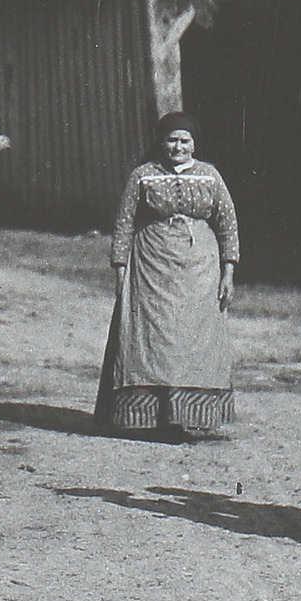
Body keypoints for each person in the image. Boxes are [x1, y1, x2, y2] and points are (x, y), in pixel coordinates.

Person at [94, 114, 241, 439]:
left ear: (194, 144)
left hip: (199, 271)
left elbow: (228, 225)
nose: (178, 147)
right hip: (150, 269)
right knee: (150, 341)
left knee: (193, 341)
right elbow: (123, 223)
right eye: (172, 140)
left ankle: (188, 416)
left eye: (184, 141)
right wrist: (120, 269)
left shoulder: (210, 176)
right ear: (161, 142)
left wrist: (228, 271)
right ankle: (149, 416)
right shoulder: (142, 176)